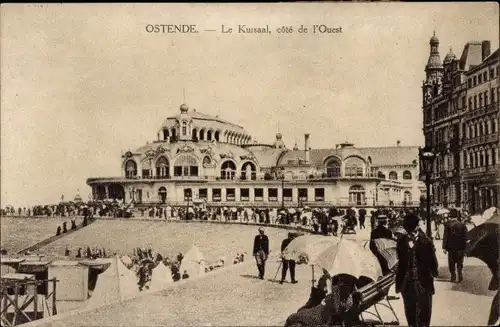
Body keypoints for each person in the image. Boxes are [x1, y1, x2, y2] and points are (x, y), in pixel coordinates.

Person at [395, 213, 438, 327]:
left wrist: (432, 273)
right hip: (408, 284)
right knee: (411, 314)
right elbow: (400, 264)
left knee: (424, 314)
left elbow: (433, 263)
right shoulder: (401, 241)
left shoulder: (426, 241)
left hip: (423, 283)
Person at [442, 213, 467, 283]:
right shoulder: (462, 225)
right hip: (460, 247)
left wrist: (444, 247)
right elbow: (465, 237)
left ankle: (453, 275)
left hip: (451, 248)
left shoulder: (448, 225)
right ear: (457, 216)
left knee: (451, 262)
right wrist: (465, 247)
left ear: (450, 216)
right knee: (460, 262)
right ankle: (460, 274)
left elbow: (445, 236)